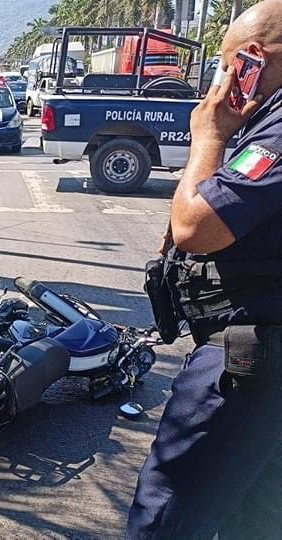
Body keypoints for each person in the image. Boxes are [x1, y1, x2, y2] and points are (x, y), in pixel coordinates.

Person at [127, 1, 282, 537]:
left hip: (248, 360)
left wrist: (209, 135)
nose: (222, 79)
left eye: (226, 64)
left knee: (167, 510)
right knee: (254, 518)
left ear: (252, 59)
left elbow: (196, 226)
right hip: (262, 359)